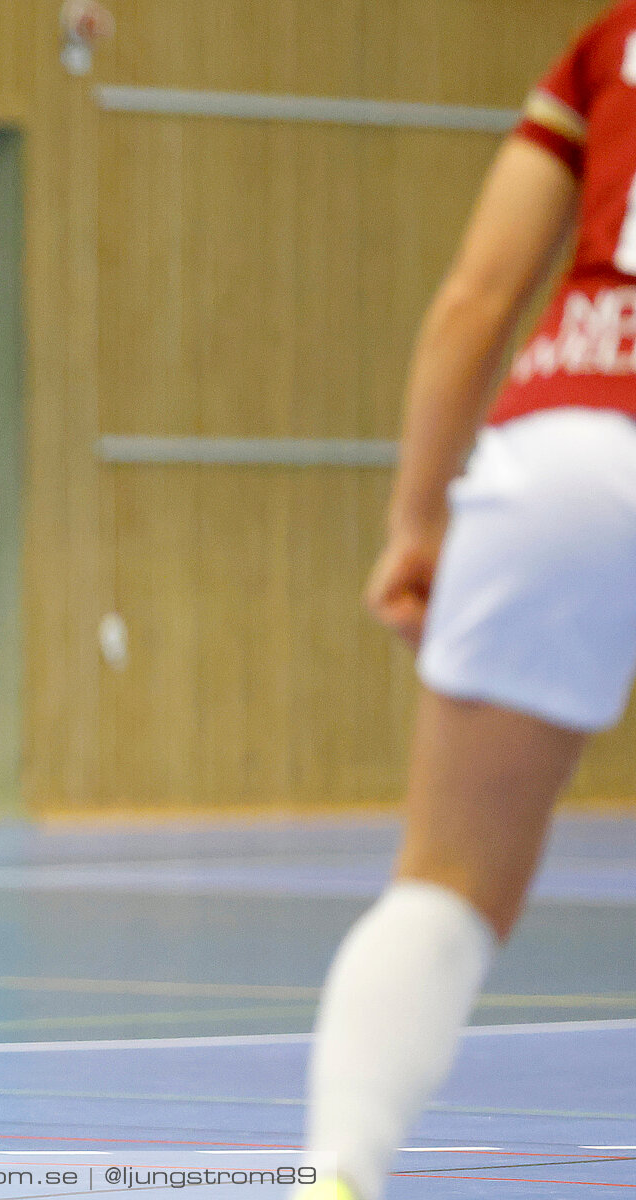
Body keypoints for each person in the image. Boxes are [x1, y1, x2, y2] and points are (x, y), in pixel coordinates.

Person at [294, 4, 636, 1197]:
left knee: (445, 886)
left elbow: (472, 303)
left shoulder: (609, 43)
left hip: (565, 443)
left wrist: (419, 525)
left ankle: (339, 1169)